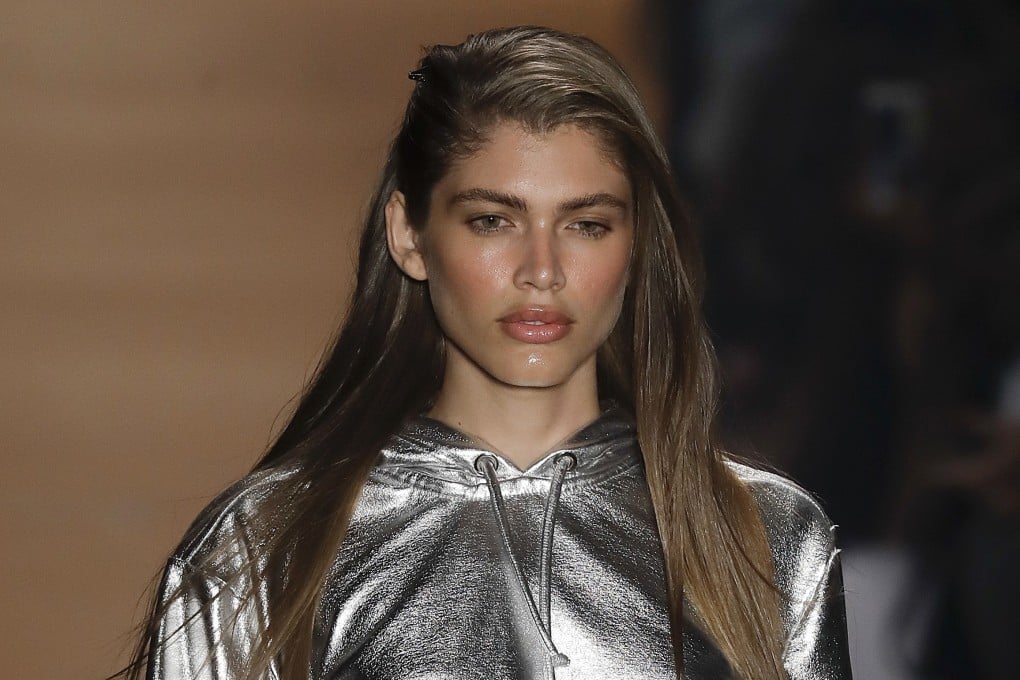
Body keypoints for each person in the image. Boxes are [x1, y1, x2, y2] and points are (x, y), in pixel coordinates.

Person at [117, 26, 852, 680]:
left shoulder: (766, 536)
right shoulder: (267, 546)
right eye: (493, 220)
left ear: (636, 246)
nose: (542, 270)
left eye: (587, 225)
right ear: (409, 235)